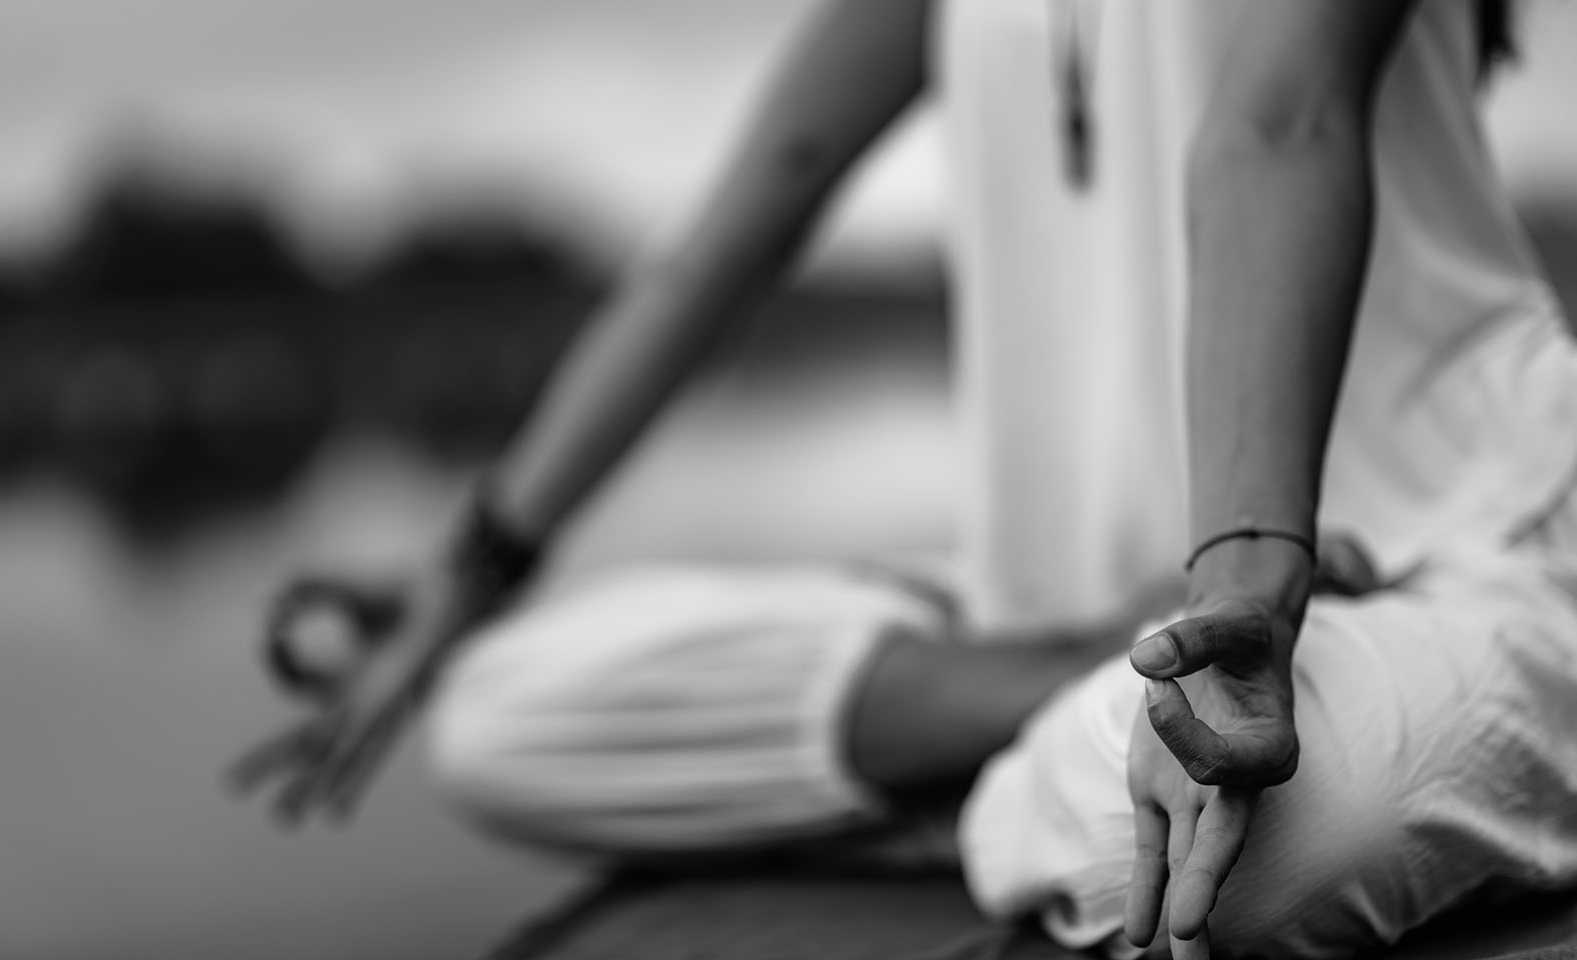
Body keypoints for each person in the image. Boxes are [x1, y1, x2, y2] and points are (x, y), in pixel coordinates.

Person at [232, 1, 1577, 957]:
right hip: (1081, 607)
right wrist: (466, 577)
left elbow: (1277, 124)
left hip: (1449, 548)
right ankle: (1066, 701)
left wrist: (1245, 585)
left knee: (1224, 872)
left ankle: (1055, 744)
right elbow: (740, 218)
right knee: (492, 718)